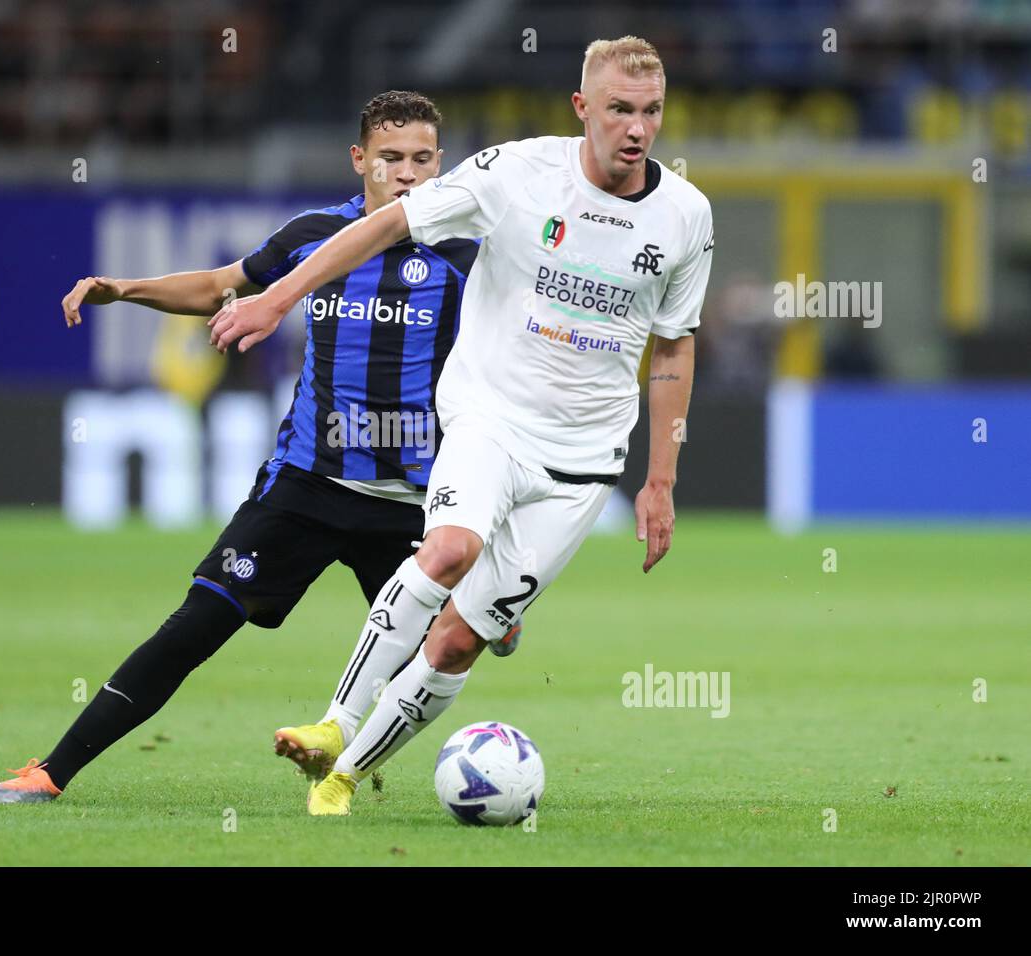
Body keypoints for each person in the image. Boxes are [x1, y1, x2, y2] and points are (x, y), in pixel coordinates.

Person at [210, 36, 714, 816]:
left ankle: (343, 777)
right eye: (619, 110)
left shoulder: (685, 216)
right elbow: (384, 225)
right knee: (449, 547)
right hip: (489, 418)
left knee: (457, 640)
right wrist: (280, 295)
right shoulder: (516, 173)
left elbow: (675, 345)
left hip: (582, 462)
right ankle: (335, 725)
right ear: (583, 109)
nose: (637, 128)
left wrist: (660, 481)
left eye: (650, 112)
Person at [0, 90, 494, 803]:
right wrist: (124, 289)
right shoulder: (315, 234)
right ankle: (50, 772)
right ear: (359, 160)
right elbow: (222, 286)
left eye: (422, 160)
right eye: (390, 159)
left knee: (456, 644)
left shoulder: (472, 254)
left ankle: (344, 757)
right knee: (196, 623)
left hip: (416, 504)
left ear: (442, 163)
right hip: (308, 484)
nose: (407, 174)